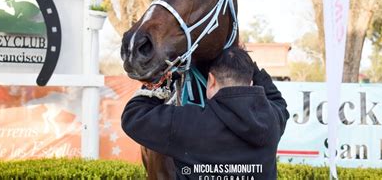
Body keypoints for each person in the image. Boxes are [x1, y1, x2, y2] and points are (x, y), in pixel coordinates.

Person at [121, 46, 289, 179]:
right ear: (251, 83)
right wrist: (249, 65)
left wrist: (162, 81)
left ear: (211, 80)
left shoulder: (187, 123)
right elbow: (277, 99)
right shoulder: (272, 120)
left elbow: (133, 116)